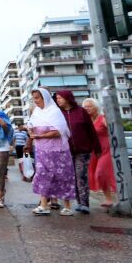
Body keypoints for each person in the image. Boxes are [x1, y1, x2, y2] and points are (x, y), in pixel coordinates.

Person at [27, 88, 76, 216]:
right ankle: (44, 205)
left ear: (45, 98)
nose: (35, 101)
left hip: (58, 151)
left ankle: (67, 206)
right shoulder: (37, 112)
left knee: (63, 176)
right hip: (41, 150)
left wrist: (40, 136)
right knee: (42, 175)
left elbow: (58, 131)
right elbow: (30, 125)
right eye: (34, 98)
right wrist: (31, 132)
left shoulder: (54, 112)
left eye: (37, 98)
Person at [54, 90, 101, 214]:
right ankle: (77, 201)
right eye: (57, 98)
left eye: (60, 98)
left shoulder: (81, 112)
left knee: (81, 175)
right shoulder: (58, 114)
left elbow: (91, 131)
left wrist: (97, 149)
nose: (58, 100)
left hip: (83, 150)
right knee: (71, 177)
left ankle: (84, 203)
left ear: (68, 98)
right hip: (65, 151)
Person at [84, 98, 116, 208]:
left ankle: (113, 196)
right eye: (85, 107)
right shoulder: (86, 121)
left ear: (96, 108)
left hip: (105, 150)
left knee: (101, 173)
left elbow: (113, 131)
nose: (87, 108)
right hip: (93, 151)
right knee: (95, 175)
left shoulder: (102, 118)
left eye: (89, 106)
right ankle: (108, 198)